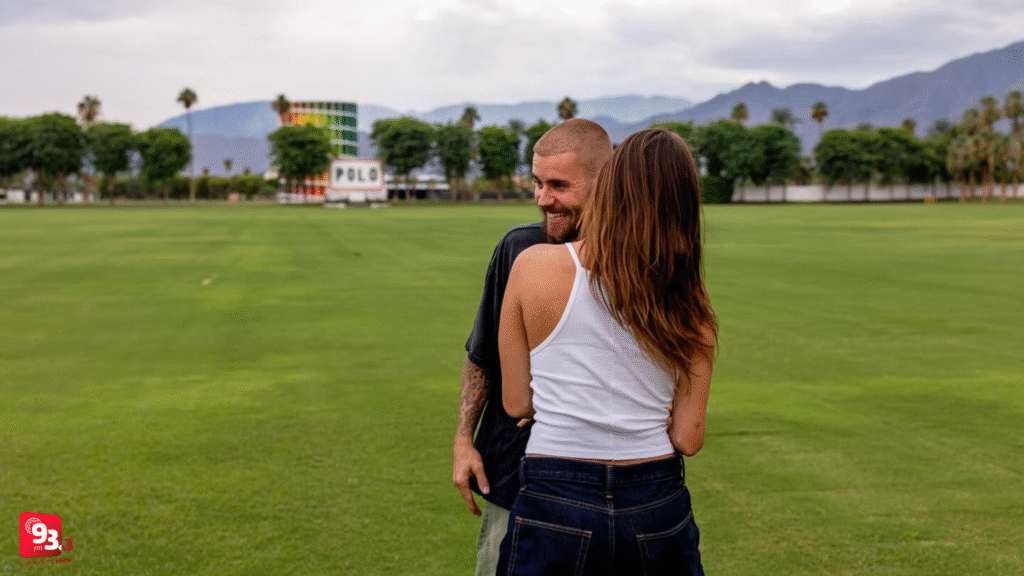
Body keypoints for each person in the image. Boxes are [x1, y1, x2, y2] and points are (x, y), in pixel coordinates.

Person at [495, 128, 718, 575]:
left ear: (610, 188)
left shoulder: (533, 264)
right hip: (655, 498)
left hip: (554, 489)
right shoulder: (694, 309)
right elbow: (687, 439)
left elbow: (516, 402)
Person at [453, 119, 614, 576]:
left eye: (559, 185)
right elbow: (481, 353)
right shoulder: (518, 248)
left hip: (607, 485)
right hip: (514, 477)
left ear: (605, 181)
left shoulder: (638, 260)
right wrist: (464, 438)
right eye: (539, 183)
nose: (544, 198)